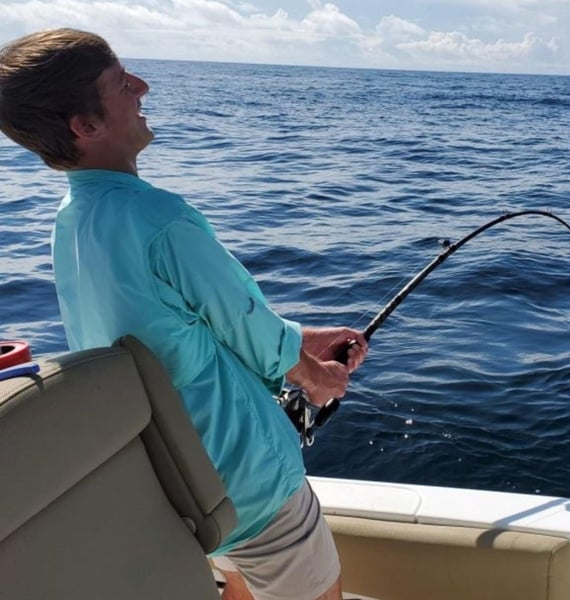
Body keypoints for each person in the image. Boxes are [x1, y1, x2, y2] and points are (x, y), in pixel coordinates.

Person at [0, 28, 368, 600]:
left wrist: (301, 337)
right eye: (122, 82)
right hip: (249, 477)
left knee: (236, 579)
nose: (142, 86)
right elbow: (245, 326)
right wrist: (316, 377)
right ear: (85, 126)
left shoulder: (74, 219)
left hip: (176, 477)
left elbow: (178, 324)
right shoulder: (160, 218)